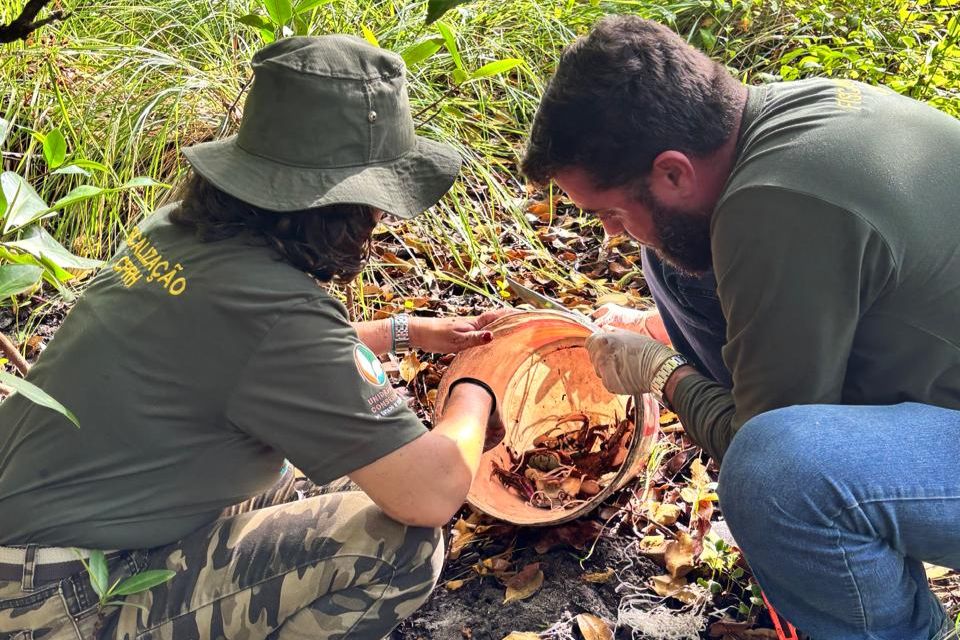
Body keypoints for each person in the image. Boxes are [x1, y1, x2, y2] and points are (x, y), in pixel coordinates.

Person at [0, 36, 502, 639]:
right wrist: (477, 388)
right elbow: (433, 492)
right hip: (49, 596)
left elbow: (234, 357)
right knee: (399, 545)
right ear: (338, 205)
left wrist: (407, 331)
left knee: (350, 472)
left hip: (35, 529)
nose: (380, 221)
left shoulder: (176, 232)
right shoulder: (277, 313)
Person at [521, 15, 960, 640]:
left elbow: (767, 444)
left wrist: (662, 373)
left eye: (609, 210)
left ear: (672, 171)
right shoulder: (781, 119)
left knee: (775, 478)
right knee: (672, 261)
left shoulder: (777, 205)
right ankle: (823, 562)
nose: (608, 230)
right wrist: (652, 323)